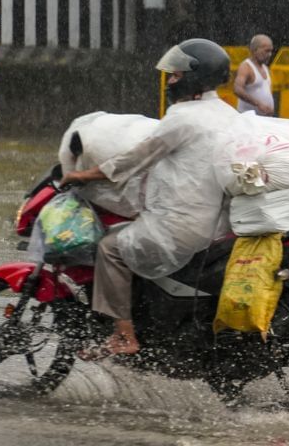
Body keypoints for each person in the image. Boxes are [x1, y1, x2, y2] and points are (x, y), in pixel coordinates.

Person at [61, 38, 239, 358]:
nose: (171, 80)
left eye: (176, 75)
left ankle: (123, 336)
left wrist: (81, 176)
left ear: (194, 78)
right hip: (217, 223)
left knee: (110, 248)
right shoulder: (225, 112)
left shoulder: (183, 118)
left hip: (180, 226)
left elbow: (132, 160)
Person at [233, 34, 274, 115]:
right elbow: (237, 89)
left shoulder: (265, 68)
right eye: (266, 51)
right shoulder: (246, 67)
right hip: (248, 120)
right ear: (254, 50)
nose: (269, 54)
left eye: (271, 51)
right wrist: (258, 104)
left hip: (263, 119)